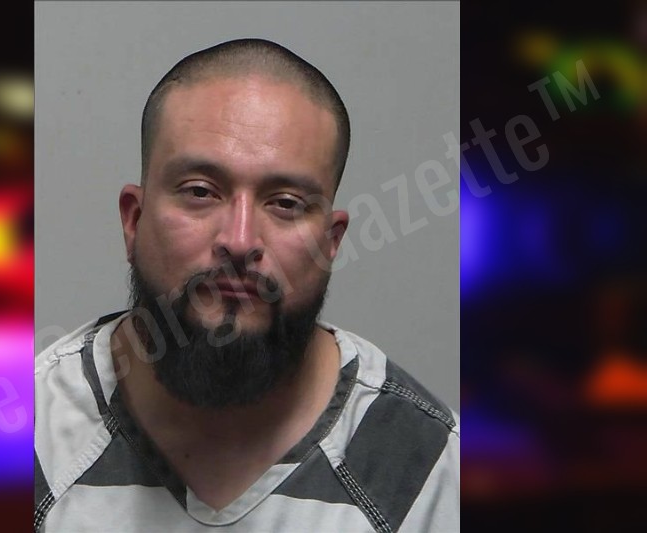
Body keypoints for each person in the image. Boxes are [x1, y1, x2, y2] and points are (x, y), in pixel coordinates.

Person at [34, 38, 459, 532]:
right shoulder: (24, 443)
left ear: (331, 242)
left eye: (285, 203)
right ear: (134, 220)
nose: (239, 241)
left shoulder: (432, 474)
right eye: (200, 191)